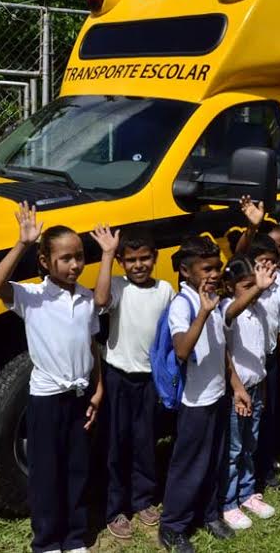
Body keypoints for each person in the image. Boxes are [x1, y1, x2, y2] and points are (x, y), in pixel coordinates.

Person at [0, 203, 102, 553]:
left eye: (79, 257)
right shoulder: (32, 298)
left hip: (80, 398)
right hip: (46, 400)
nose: (75, 265)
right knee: (47, 472)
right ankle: (48, 540)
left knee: (77, 468)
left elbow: (92, 346)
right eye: (66, 258)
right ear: (45, 262)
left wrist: (98, 390)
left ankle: (74, 536)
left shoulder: (86, 300)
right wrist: (22, 243)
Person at [159, 236, 243, 552]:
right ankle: (173, 526)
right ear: (185, 270)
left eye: (217, 267)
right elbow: (181, 350)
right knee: (188, 464)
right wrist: (204, 312)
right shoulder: (183, 304)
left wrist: (236, 386)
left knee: (213, 460)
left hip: (217, 394)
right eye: (206, 268)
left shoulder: (213, 299)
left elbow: (221, 350)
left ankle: (208, 514)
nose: (215, 273)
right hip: (193, 400)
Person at [92, 226, 175, 540]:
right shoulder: (116, 286)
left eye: (144, 258)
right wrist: (107, 255)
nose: (138, 265)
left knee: (145, 441)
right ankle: (115, 508)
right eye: (131, 260)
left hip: (149, 380)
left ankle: (143, 499)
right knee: (116, 443)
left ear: (155, 258)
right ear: (123, 263)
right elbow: (99, 299)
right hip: (117, 378)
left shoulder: (165, 290)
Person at [220, 255, 279, 531]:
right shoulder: (226, 309)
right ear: (231, 286)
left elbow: (260, 356)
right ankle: (228, 502)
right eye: (247, 286)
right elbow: (230, 314)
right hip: (236, 391)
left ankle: (246, 493)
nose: (255, 290)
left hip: (256, 388)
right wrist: (238, 389)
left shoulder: (259, 311)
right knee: (233, 448)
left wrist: (263, 387)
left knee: (249, 444)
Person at [246, 236, 280, 492]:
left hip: (272, 360)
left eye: (272, 262)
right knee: (248, 418)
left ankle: (265, 468)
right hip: (248, 364)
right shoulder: (242, 289)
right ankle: (246, 471)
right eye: (261, 262)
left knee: (269, 416)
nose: (268, 267)